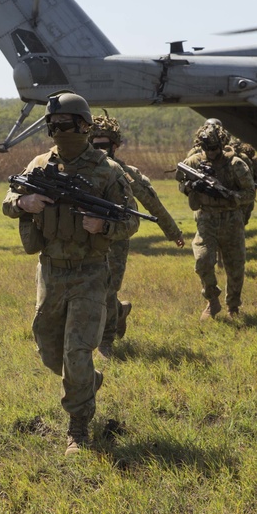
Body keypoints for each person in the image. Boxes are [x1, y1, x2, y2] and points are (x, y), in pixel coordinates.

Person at [2, 92, 140, 456]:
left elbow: (131, 220)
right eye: (52, 125)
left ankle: (78, 429)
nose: (58, 131)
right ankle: (87, 383)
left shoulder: (108, 171)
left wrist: (103, 227)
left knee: (77, 351)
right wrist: (23, 203)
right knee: (51, 352)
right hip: (50, 272)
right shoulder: (38, 165)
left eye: (65, 124)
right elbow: (7, 201)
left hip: (90, 273)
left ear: (84, 125)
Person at [87, 113, 185, 358]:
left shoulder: (126, 173)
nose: (99, 150)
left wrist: (173, 233)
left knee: (108, 289)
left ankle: (105, 343)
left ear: (115, 145)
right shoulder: (83, 169)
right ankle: (119, 312)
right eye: (93, 145)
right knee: (93, 288)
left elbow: (153, 204)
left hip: (117, 238)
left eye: (104, 146)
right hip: (88, 237)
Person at [176, 120, 256, 320]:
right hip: (206, 219)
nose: (211, 152)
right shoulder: (193, 162)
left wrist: (229, 195)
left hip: (231, 219)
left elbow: (250, 193)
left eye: (214, 148)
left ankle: (233, 307)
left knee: (235, 267)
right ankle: (212, 299)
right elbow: (180, 181)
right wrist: (191, 187)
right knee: (203, 261)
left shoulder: (236, 165)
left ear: (221, 145)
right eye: (206, 148)